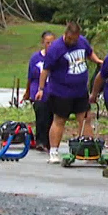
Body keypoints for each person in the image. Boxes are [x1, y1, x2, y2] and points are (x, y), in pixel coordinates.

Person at [36, 21, 97, 164]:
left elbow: (90, 53)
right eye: (69, 38)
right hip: (61, 92)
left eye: (74, 39)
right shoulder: (56, 48)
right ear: (66, 34)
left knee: (85, 119)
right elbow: (45, 70)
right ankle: (53, 152)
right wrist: (41, 89)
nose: (71, 41)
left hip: (80, 91)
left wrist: (98, 61)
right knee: (59, 120)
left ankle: (90, 151)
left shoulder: (82, 42)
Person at [23, 30, 56, 151]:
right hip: (38, 91)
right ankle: (40, 141)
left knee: (51, 117)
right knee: (41, 115)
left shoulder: (57, 58)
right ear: (43, 43)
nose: (50, 45)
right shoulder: (35, 58)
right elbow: (30, 77)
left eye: (52, 43)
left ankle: (50, 141)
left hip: (53, 90)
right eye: (48, 43)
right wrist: (27, 93)